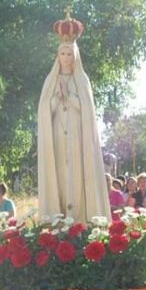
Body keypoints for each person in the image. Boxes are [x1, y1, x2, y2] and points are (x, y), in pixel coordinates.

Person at [37, 16, 110, 223]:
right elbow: (43, 111)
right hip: (58, 136)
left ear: (75, 56)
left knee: (77, 176)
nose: (66, 57)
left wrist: (70, 97)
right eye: (62, 53)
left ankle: (80, 220)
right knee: (60, 176)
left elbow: (88, 109)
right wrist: (55, 100)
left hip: (78, 137)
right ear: (57, 55)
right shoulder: (50, 81)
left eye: (69, 53)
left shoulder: (82, 80)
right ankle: (58, 220)